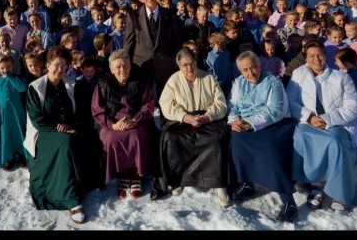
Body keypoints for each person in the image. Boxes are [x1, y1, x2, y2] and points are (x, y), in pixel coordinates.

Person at [24, 46, 103, 224]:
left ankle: (84, 182)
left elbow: (81, 112)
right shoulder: (35, 88)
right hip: (44, 134)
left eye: (64, 66)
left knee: (88, 139)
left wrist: (75, 126)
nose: (60, 70)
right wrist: (60, 127)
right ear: (47, 64)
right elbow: (37, 119)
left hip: (70, 128)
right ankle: (71, 200)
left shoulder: (70, 84)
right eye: (56, 65)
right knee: (66, 143)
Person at [286, 41, 357, 212]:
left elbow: (354, 105)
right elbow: (290, 100)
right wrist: (309, 116)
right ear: (306, 58)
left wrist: (328, 118)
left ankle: (340, 192)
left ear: (325, 55)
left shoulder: (341, 77)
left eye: (319, 54)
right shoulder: (299, 74)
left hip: (335, 123)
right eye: (311, 56)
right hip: (307, 122)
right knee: (300, 136)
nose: (316, 59)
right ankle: (315, 184)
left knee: (335, 141)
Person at [151, 48, 230, 207]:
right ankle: (179, 180)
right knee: (172, 139)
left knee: (216, 139)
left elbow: (221, 103)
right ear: (179, 66)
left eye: (192, 63)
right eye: (185, 64)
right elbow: (166, 104)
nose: (189, 68)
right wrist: (185, 117)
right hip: (182, 119)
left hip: (207, 118)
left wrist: (208, 116)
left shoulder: (208, 77)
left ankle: (218, 183)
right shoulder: (173, 80)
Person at [227, 51, 298, 222]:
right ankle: (247, 183)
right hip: (246, 124)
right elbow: (233, 104)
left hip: (274, 124)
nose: (250, 73)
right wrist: (234, 120)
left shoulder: (273, 83)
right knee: (236, 141)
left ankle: (288, 200)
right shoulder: (238, 82)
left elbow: (274, 110)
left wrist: (249, 123)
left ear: (260, 66)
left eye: (253, 68)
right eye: (245, 70)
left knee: (269, 150)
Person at [91, 49, 158, 200]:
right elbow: (97, 109)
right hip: (112, 123)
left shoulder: (140, 81)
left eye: (125, 65)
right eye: (118, 67)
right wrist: (113, 125)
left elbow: (149, 105)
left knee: (137, 137)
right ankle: (123, 175)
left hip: (137, 121)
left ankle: (136, 176)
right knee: (110, 139)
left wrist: (136, 120)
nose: (122, 70)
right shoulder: (103, 84)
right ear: (111, 69)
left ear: (130, 66)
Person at [124, 0, 183, 99]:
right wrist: (126, 64)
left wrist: (177, 62)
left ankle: (165, 119)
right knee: (144, 100)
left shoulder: (169, 14)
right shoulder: (133, 16)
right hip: (142, 65)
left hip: (165, 65)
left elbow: (176, 42)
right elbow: (129, 43)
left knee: (167, 99)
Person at [0, 55, 28, 170]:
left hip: (18, 113)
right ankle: (9, 158)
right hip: (4, 116)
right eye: (2, 68)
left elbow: (22, 88)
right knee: (7, 136)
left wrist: (10, 77)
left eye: (8, 67)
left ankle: (22, 156)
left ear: (13, 66)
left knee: (20, 134)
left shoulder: (19, 79)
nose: (5, 70)